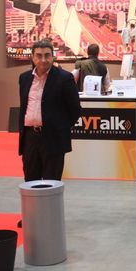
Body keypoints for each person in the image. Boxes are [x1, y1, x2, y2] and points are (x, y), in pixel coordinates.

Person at [18, 40, 81, 183]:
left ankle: (49, 207)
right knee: (30, 181)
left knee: (51, 183)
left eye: (47, 55)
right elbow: (24, 106)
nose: (43, 59)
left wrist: (59, 127)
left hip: (53, 138)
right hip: (30, 138)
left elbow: (75, 109)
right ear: (33, 57)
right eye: (39, 56)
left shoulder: (64, 78)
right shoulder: (24, 78)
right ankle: (33, 207)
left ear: (53, 57)